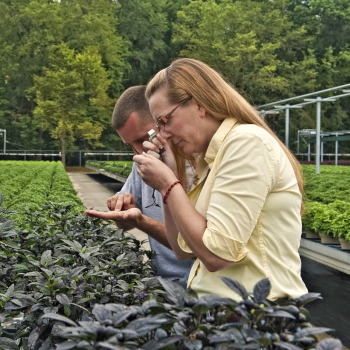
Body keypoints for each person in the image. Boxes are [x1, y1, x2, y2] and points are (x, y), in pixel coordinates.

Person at [132, 58, 308, 301]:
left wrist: (168, 184)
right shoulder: (212, 160)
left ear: (199, 104)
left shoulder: (246, 143)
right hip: (231, 319)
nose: (164, 135)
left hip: (257, 318)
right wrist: (170, 182)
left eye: (165, 121)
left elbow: (216, 256)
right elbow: (182, 249)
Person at [85, 86, 193, 288]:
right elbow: (125, 223)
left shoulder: (197, 164)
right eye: (130, 144)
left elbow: (194, 245)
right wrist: (123, 209)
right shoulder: (141, 163)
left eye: (144, 138)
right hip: (162, 285)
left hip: (201, 287)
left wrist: (141, 221)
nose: (139, 149)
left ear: (162, 120)